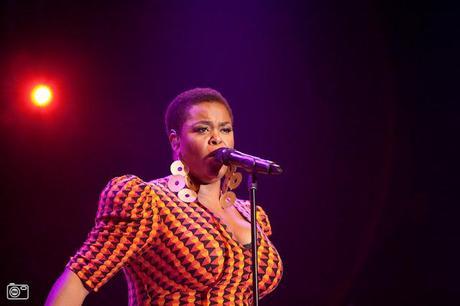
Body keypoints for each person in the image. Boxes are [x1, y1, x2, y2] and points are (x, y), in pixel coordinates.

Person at [45, 88, 283, 305]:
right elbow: (78, 279)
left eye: (225, 129)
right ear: (175, 140)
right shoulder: (148, 202)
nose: (216, 138)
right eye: (202, 129)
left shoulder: (252, 214)